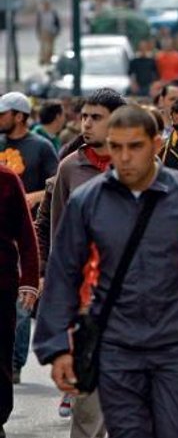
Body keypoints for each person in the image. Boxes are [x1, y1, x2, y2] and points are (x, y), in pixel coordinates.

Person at [33, 105, 178, 438]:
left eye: (134, 146)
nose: (124, 156)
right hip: (115, 345)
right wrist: (56, 346)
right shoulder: (88, 202)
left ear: (155, 144)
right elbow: (64, 272)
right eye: (116, 146)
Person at [47, 89, 127, 438]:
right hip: (88, 304)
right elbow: (60, 240)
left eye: (96, 117)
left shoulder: (142, 166)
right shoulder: (69, 169)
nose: (86, 123)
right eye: (84, 116)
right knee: (89, 410)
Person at [0, 91, 58, 384]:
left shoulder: (41, 147)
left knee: (20, 311)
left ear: (19, 115)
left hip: (27, 233)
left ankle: (14, 362)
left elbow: (54, 184)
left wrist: (26, 198)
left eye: (3, 113)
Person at [0, 164, 40, 438]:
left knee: (1, 355)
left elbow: (27, 236)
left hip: (1, 286)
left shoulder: (7, 180)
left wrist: (30, 280)